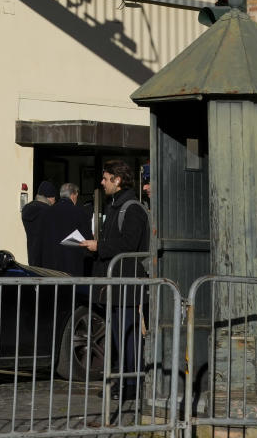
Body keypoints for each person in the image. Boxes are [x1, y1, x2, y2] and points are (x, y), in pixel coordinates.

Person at [80, 160, 149, 401]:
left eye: (105, 177)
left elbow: (129, 245)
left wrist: (99, 246)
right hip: (116, 284)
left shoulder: (131, 209)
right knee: (120, 336)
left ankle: (131, 385)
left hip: (126, 284)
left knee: (128, 337)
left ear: (117, 180)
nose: (102, 182)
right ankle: (124, 382)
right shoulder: (115, 206)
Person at [38, 182, 93, 276]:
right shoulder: (80, 213)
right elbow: (87, 240)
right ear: (73, 195)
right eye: (77, 195)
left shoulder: (46, 213)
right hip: (71, 266)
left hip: (50, 266)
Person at [21, 180, 57, 266]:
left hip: (32, 255)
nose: (54, 202)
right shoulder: (49, 212)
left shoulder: (26, 209)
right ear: (50, 197)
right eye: (54, 198)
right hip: (47, 258)